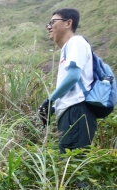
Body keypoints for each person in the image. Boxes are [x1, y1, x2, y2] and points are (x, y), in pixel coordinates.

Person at [39, 8, 96, 153]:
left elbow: (73, 77)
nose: (49, 27)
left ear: (68, 23)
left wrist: (50, 100)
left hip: (76, 110)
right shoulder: (68, 48)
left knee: (72, 162)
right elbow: (73, 84)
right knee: (68, 162)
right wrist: (54, 107)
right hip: (71, 111)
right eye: (48, 24)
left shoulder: (75, 42)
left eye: (53, 22)